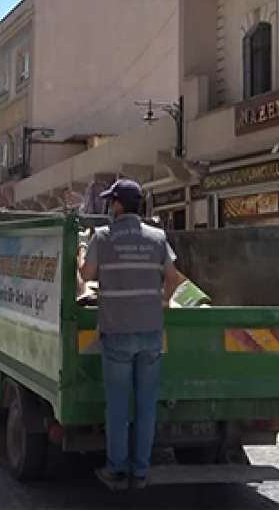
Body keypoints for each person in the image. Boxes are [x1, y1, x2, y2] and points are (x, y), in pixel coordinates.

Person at [80, 179, 185, 490]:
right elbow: (174, 278)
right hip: (151, 332)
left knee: (117, 406)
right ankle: (140, 470)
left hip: (116, 333)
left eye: (111, 202)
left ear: (118, 205)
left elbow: (85, 276)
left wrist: (80, 252)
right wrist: (164, 301)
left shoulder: (103, 237)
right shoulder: (157, 238)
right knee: (145, 406)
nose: (109, 207)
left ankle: (116, 467)